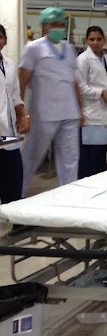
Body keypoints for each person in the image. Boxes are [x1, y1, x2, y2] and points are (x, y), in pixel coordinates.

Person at [18, 7, 83, 195]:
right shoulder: (33, 48)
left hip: (69, 113)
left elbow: (74, 82)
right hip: (43, 114)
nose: (58, 28)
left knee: (70, 160)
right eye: (54, 24)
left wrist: (80, 110)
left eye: (61, 24)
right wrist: (20, 112)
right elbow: (22, 81)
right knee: (31, 158)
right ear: (44, 26)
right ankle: (16, 195)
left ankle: (67, 199)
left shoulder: (69, 49)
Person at [77, 25, 107, 178]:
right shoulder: (83, 60)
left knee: (103, 158)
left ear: (104, 40)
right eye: (92, 39)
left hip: (105, 116)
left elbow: (106, 78)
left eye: (99, 39)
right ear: (86, 40)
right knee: (91, 161)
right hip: (91, 117)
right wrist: (101, 93)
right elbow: (79, 87)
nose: (95, 42)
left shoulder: (106, 58)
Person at [0, 23, 31, 203]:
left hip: (9, 135)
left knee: (13, 186)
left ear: (5, 40)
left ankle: (10, 216)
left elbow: (15, 96)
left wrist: (24, 115)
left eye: (0, 37)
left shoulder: (10, 65)